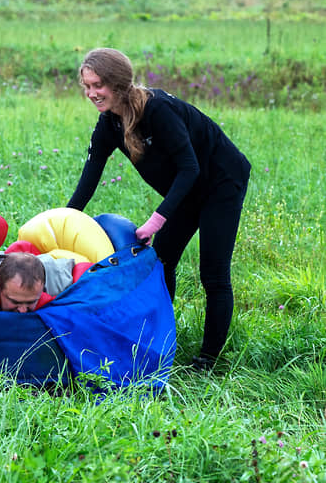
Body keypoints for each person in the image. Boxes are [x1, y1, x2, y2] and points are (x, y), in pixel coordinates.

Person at [67, 47, 251, 370]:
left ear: (119, 83)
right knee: (161, 262)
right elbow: (91, 172)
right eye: (87, 86)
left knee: (212, 271)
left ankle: (209, 359)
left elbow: (190, 168)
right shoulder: (109, 124)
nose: (91, 93)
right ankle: (161, 338)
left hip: (221, 182)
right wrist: (64, 219)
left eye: (98, 85)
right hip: (186, 191)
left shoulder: (158, 111)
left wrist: (156, 220)